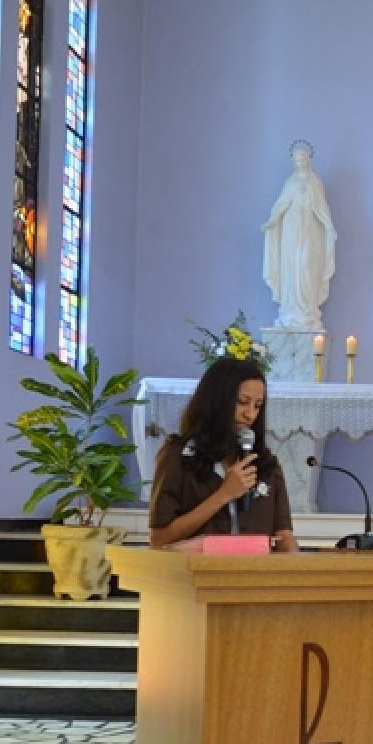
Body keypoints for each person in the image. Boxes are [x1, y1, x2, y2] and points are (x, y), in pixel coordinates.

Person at [149, 357, 299, 552]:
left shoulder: (266, 463)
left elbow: (284, 536)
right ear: (216, 401)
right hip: (200, 575)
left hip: (255, 577)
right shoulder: (178, 456)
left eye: (258, 405)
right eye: (242, 402)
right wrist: (224, 494)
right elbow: (159, 539)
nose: (250, 414)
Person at [261, 140, 337, 331]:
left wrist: (329, 226)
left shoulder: (315, 182)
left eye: (302, 158)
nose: (300, 162)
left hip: (310, 228)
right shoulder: (291, 182)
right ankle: (290, 308)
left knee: (306, 264)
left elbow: (322, 208)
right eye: (296, 159)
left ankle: (308, 309)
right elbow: (281, 204)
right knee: (291, 266)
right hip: (291, 228)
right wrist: (272, 221)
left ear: (308, 159)